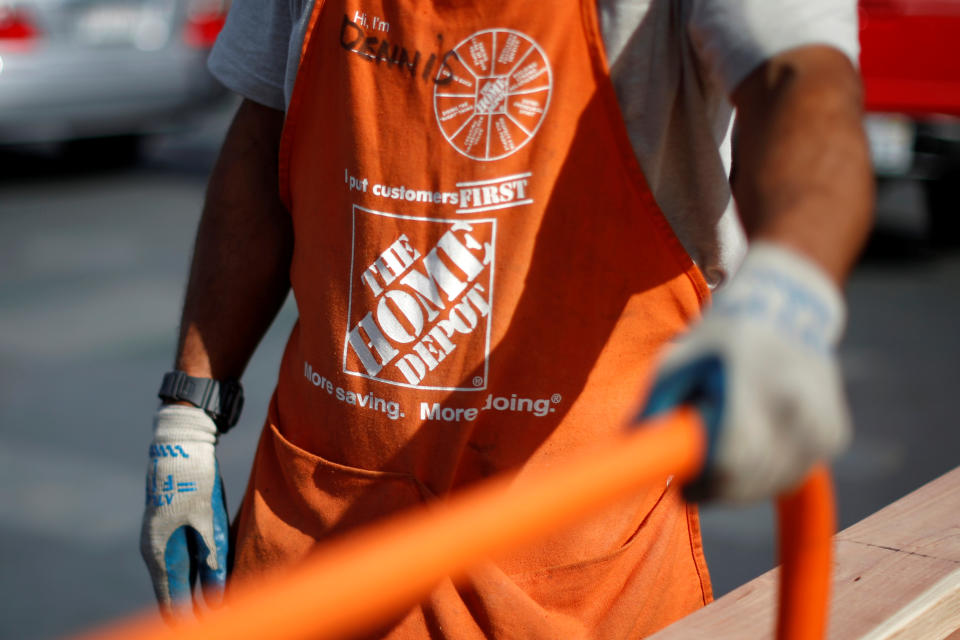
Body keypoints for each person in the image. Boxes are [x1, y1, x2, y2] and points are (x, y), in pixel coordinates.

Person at [140, 0, 873, 637]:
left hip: (571, 584)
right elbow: (263, 128)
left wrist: (787, 297)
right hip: (318, 561)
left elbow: (802, 80)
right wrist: (190, 412)